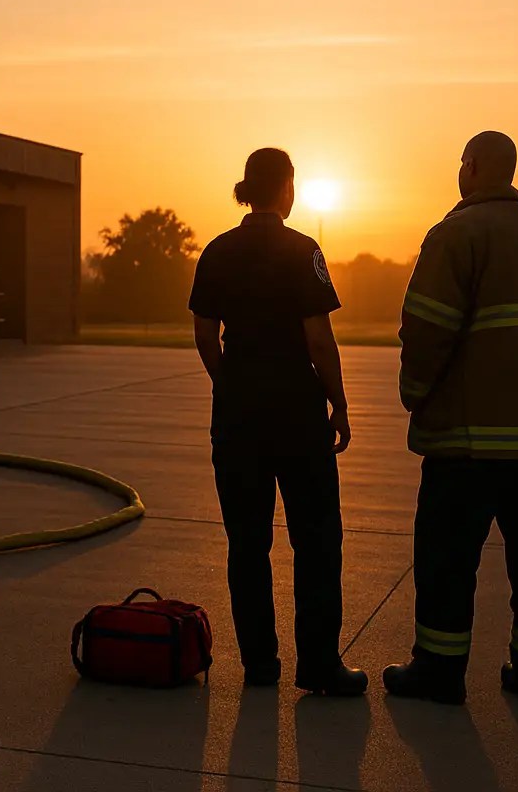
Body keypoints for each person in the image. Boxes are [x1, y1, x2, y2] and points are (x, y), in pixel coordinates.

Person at [382, 131, 518, 706]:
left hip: (466, 443)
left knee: (448, 560)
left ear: (471, 168)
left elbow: (427, 331)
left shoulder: (455, 236)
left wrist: (415, 394)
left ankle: (440, 672)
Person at [189, 147, 367, 696]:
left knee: (247, 543)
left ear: (248, 187)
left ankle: (260, 666)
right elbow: (318, 338)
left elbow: (203, 334)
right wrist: (337, 402)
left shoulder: (217, 251)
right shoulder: (304, 250)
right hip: (297, 416)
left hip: (238, 416)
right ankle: (317, 664)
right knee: (316, 541)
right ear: (286, 187)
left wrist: (230, 383)